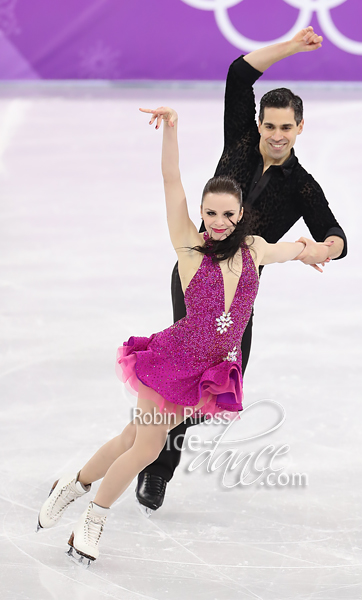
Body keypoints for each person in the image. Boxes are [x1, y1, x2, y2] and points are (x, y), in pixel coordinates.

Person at [36, 105, 329, 566]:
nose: (216, 221)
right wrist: (171, 131)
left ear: (240, 215)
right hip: (171, 364)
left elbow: (296, 249)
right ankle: (91, 522)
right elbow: (171, 181)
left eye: (226, 214)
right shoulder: (191, 249)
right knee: (148, 446)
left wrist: (318, 249)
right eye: (209, 212)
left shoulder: (256, 250)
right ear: (201, 214)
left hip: (205, 374)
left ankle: (73, 484)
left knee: (130, 439)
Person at [136, 26, 347, 512]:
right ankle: (156, 464)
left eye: (285, 128)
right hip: (194, 275)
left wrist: (322, 250)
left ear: (299, 129)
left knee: (221, 381)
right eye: (269, 125)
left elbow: (337, 237)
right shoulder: (239, 139)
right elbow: (239, 73)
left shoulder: (303, 188)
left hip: (239, 294)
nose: (275, 136)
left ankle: (150, 445)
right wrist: (293, 46)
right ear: (258, 123)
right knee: (185, 372)